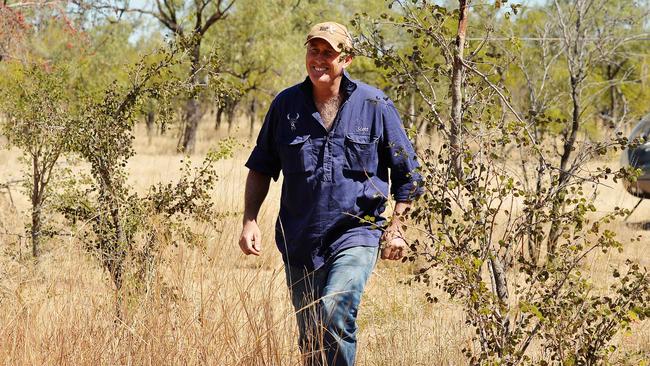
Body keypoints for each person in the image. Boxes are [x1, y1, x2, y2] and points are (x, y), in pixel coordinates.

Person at [238, 21, 422, 366]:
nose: (318, 59)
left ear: (346, 60)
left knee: (335, 311)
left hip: (357, 232)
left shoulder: (374, 104)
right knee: (310, 338)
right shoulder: (285, 106)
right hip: (299, 238)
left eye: (328, 52)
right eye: (313, 50)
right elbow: (261, 166)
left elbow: (407, 175)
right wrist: (249, 220)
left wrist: (396, 228)